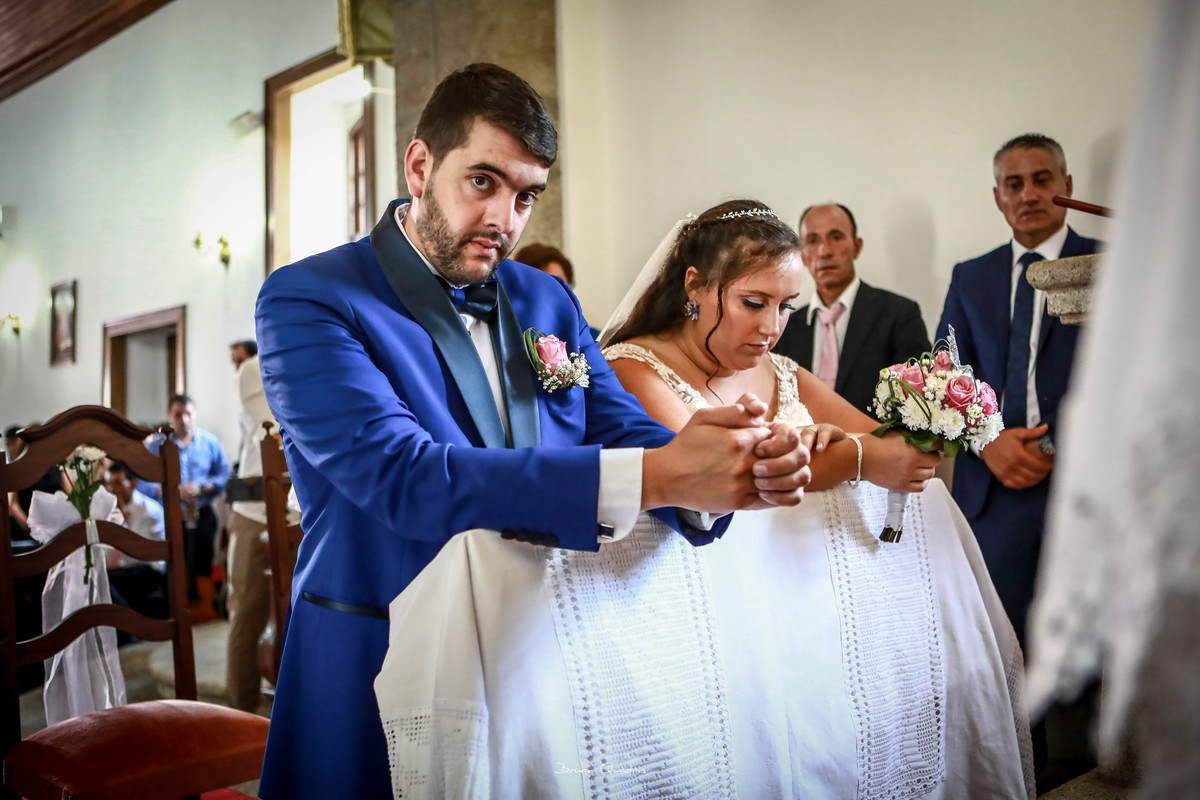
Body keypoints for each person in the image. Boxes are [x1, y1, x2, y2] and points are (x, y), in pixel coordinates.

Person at [254, 63, 810, 799]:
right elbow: (403, 477)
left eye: (525, 196)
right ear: (419, 166)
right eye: (482, 182)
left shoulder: (545, 297)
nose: (504, 220)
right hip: (375, 654)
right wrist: (664, 474)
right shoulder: (311, 297)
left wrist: (724, 466)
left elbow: (620, 428)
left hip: (539, 648)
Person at [373, 200, 1031, 799]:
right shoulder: (634, 367)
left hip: (801, 622)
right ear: (694, 286)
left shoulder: (780, 371)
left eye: (787, 307)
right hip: (703, 630)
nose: (772, 327)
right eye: (753, 302)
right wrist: (853, 456)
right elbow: (716, 474)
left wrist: (892, 429)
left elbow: (878, 441)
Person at [935, 133, 1101, 647]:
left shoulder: (1110, 264)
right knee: (1003, 653)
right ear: (998, 196)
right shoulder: (970, 277)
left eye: (1041, 180)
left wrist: (1057, 446)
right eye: (1014, 184)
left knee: (1082, 656)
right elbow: (945, 374)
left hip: (1084, 491)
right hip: (993, 493)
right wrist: (988, 442)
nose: (1028, 194)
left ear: (1067, 185)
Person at [773, 203, 930, 413]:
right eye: (812, 240)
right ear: (802, 255)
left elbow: (920, 402)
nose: (824, 251)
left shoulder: (899, 314)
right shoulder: (784, 325)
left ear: (857, 246)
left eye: (836, 237)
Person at [224, 341, 283, 712]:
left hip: (305, 512)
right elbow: (273, 429)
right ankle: (239, 713)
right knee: (247, 614)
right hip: (255, 510)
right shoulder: (252, 369)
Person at [141, 394, 230, 605]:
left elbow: (224, 475)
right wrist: (170, 491)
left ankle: (202, 606)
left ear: (194, 414)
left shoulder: (209, 442)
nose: (184, 419)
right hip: (170, 515)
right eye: (178, 415)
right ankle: (175, 607)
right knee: (174, 562)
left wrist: (203, 488)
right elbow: (142, 482)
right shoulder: (155, 445)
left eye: (188, 414)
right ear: (169, 416)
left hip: (202, 513)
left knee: (204, 560)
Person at [103, 461, 168, 621]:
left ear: (132, 484)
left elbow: (141, 553)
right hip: (123, 568)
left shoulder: (149, 511)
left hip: (147, 568)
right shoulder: (108, 510)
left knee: (105, 581)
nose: (112, 489)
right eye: (109, 484)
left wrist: (122, 524)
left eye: (118, 483)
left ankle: (131, 624)